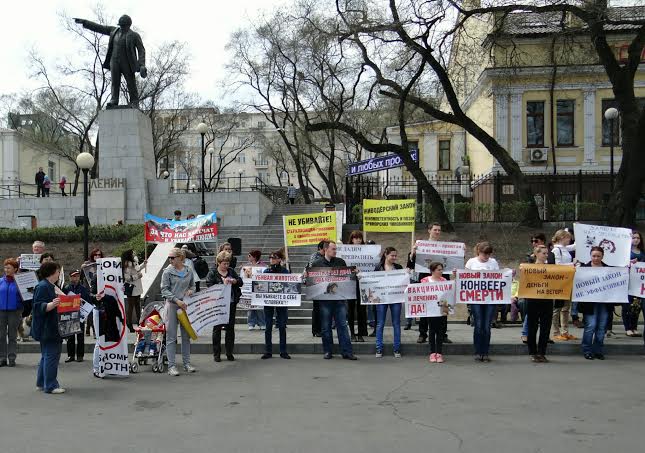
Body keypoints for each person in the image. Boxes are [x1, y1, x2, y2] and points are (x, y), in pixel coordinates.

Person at [309, 241, 357, 360]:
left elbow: (347, 279)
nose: (335, 251)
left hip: (339, 300)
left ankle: (347, 352)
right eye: (333, 249)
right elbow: (312, 282)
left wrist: (354, 274)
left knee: (342, 325)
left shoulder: (341, 262)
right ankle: (327, 351)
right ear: (326, 249)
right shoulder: (316, 264)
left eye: (336, 249)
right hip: (324, 301)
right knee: (325, 327)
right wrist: (306, 276)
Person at [407, 223, 452, 345]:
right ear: (429, 230)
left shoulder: (445, 247)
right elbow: (411, 265)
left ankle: (442, 334)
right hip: (426, 280)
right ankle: (422, 334)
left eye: (439, 230)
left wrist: (461, 253)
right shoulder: (420, 245)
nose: (437, 232)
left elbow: (453, 262)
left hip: (442, 281)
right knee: (425, 307)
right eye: (435, 230)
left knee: (443, 307)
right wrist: (413, 253)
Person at [160, 248, 196, 376]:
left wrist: (191, 291)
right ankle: (172, 366)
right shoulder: (167, 272)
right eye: (169, 257)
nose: (170, 260)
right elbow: (164, 290)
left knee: (186, 336)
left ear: (180, 258)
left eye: (172, 257)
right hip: (172, 306)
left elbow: (193, 285)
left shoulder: (188, 270)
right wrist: (176, 300)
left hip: (185, 306)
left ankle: (187, 363)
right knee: (171, 337)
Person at [32, 261, 65, 394]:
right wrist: (52, 304)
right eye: (57, 271)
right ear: (52, 272)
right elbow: (38, 306)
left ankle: (41, 382)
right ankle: (50, 385)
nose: (59, 274)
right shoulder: (43, 286)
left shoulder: (48, 285)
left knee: (46, 356)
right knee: (51, 356)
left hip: (48, 327)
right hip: (49, 327)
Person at [206, 251, 243, 362]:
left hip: (231, 303)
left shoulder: (231, 271)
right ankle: (216, 354)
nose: (226, 266)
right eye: (224, 264)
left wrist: (234, 281)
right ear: (218, 263)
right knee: (217, 329)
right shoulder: (213, 273)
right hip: (218, 304)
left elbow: (240, 282)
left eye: (227, 263)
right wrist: (222, 284)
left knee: (230, 329)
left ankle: (229, 352)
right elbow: (209, 285)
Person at [466, 242, 499, 362]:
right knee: (479, 325)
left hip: (490, 298)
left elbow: (499, 278)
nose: (486, 256)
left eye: (489, 254)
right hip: (476, 298)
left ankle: (485, 352)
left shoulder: (493, 262)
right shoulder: (471, 262)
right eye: (484, 253)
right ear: (479, 252)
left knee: (487, 326)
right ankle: (478, 351)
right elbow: (464, 278)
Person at [371, 247, 404, 358]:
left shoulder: (399, 267)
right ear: (386, 254)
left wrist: (407, 273)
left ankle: (397, 349)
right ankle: (379, 348)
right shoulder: (378, 267)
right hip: (381, 299)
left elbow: (403, 280)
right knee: (380, 324)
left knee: (396, 323)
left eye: (395, 256)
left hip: (395, 299)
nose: (394, 258)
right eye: (392, 255)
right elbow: (372, 281)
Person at [579, 247, 611, 360]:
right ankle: (587, 350)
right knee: (590, 326)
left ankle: (598, 350)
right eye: (594, 256)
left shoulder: (609, 269)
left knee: (601, 327)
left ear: (602, 256)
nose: (596, 258)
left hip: (604, 302)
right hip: (589, 303)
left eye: (598, 256)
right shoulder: (583, 268)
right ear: (590, 256)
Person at [525, 245, 554, 363]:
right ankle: (532, 352)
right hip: (533, 300)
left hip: (547, 300)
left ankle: (542, 352)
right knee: (532, 327)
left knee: (545, 328)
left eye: (547, 253)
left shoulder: (552, 268)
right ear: (536, 254)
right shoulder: (529, 268)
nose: (546, 255)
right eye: (543, 253)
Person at [261, 251, 291, 359]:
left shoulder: (285, 271)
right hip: (268, 302)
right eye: (270, 257)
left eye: (274, 258)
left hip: (281, 301)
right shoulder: (266, 271)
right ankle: (268, 351)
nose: (271, 259)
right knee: (268, 326)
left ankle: (283, 351)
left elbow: (290, 285)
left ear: (279, 260)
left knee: (282, 326)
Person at [551, 229, 577, 342]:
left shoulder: (565, 248)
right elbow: (558, 265)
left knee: (566, 307)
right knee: (557, 308)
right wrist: (573, 264)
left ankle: (565, 331)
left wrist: (580, 231)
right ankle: (556, 331)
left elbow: (576, 245)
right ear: (562, 238)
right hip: (559, 282)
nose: (570, 239)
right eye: (568, 237)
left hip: (567, 280)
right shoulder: (556, 250)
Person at [420, 262, 448, 363]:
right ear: (433, 271)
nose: (441, 272)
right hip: (430, 309)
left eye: (442, 270)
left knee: (440, 331)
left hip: (441, 309)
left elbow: (448, 294)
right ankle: (432, 353)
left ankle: (439, 353)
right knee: (432, 330)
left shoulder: (444, 280)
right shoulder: (425, 280)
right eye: (439, 270)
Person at [62, 270, 90, 363]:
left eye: (77, 276)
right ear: (70, 277)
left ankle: (80, 355)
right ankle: (71, 355)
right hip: (69, 314)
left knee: (80, 336)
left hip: (79, 315)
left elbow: (87, 301)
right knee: (70, 336)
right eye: (74, 276)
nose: (76, 278)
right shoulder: (66, 288)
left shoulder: (83, 288)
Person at [346, 231, 368, 342]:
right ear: (352, 240)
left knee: (361, 309)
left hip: (362, 283)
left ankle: (361, 333)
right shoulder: (345, 251)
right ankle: (352, 333)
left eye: (359, 238)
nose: (358, 240)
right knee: (350, 309)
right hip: (349, 282)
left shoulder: (367, 251)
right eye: (355, 238)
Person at [0, 259, 23, 367]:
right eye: (5, 267)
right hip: (1, 311)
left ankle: (12, 358)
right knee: (1, 336)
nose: (6, 270)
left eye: (9, 268)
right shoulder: (0, 281)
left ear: (15, 269)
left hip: (15, 311)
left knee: (12, 335)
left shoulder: (20, 282)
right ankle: (2, 358)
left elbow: (26, 296)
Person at [624, 230, 645, 337]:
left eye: (638, 238)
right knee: (627, 305)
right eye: (634, 237)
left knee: (637, 306)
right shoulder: (626, 251)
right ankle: (627, 328)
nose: (636, 239)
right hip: (628, 282)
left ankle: (634, 327)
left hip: (639, 283)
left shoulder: (643, 252)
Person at [306, 241, 327, 338]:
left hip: (323, 285)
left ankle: (319, 329)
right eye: (324, 249)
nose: (326, 250)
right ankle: (317, 330)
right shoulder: (316, 257)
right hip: (317, 286)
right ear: (320, 248)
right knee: (317, 309)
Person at [122, 249, 146, 333]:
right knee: (131, 307)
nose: (134, 254)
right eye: (133, 253)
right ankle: (129, 324)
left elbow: (138, 269)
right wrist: (138, 276)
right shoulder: (128, 264)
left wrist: (144, 264)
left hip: (137, 287)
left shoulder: (134, 262)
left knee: (137, 306)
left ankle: (140, 323)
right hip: (131, 288)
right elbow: (127, 278)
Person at [245, 250, 265, 330]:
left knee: (260, 308)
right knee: (250, 307)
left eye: (249, 255)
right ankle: (251, 323)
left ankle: (262, 323)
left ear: (254, 257)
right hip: (249, 288)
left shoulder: (263, 266)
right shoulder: (246, 266)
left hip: (259, 288)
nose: (248, 257)